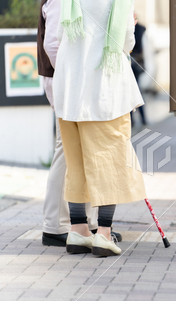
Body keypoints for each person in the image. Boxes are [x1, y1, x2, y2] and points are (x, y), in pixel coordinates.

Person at [53, 0, 146, 256]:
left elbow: (59, 36)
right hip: (104, 92)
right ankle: (103, 234)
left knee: (77, 163)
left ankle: (78, 230)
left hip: (70, 91)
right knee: (110, 164)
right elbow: (126, 42)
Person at [37, 0, 122, 247]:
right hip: (68, 81)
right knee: (67, 149)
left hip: (76, 80)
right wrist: (71, 77)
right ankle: (58, 225)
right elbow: (53, 43)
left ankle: (85, 225)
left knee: (80, 150)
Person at [130, 21, 147, 127]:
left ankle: (132, 120)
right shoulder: (142, 28)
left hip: (131, 63)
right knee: (136, 91)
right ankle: (143, 119)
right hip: (138, 62)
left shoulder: (135, 28)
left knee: (130, 91)